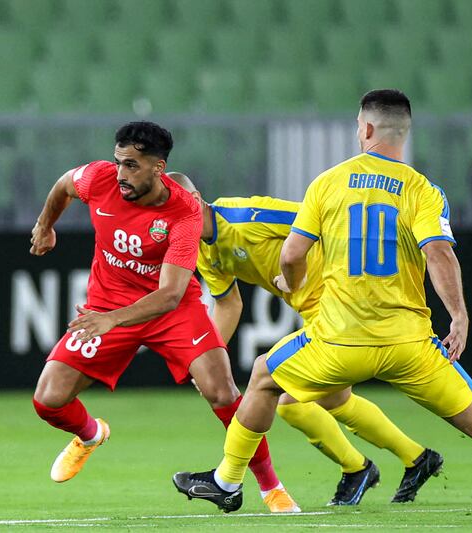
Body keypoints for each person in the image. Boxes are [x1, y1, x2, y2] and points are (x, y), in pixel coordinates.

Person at [172, 91, 472, 518]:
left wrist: (293, 280)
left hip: (340, 341)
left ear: (367, 129)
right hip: (409, 346)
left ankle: (228, 482)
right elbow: (440, 255)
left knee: (265, 376)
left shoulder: (327, 183)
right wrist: (460, 315)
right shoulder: (422, 190)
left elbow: (291, 254)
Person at [29, 121, 299, 513]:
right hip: (108, 305)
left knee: (222, 391)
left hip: (168, 312)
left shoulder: (184, 211)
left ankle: (270, 487)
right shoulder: (99, 178)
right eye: (119, 162)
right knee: (47, 401)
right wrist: (45, 225)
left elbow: (170, 295)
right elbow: (63, 185)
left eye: (132, 166)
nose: (121, 174)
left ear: (158, 167)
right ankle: (90, 435)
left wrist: (112, 320)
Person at [167, 171, 441, 505]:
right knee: (328, 400)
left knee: (280, 392)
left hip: (340, 305)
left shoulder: (246, 217)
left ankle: (232, 480)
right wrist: (209, 360)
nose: (166, 225)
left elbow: (319, 218)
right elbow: (228, 303)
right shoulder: (202, 250)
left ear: (193, 202)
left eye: (169, 213)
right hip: (317, 313)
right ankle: (412, 459)